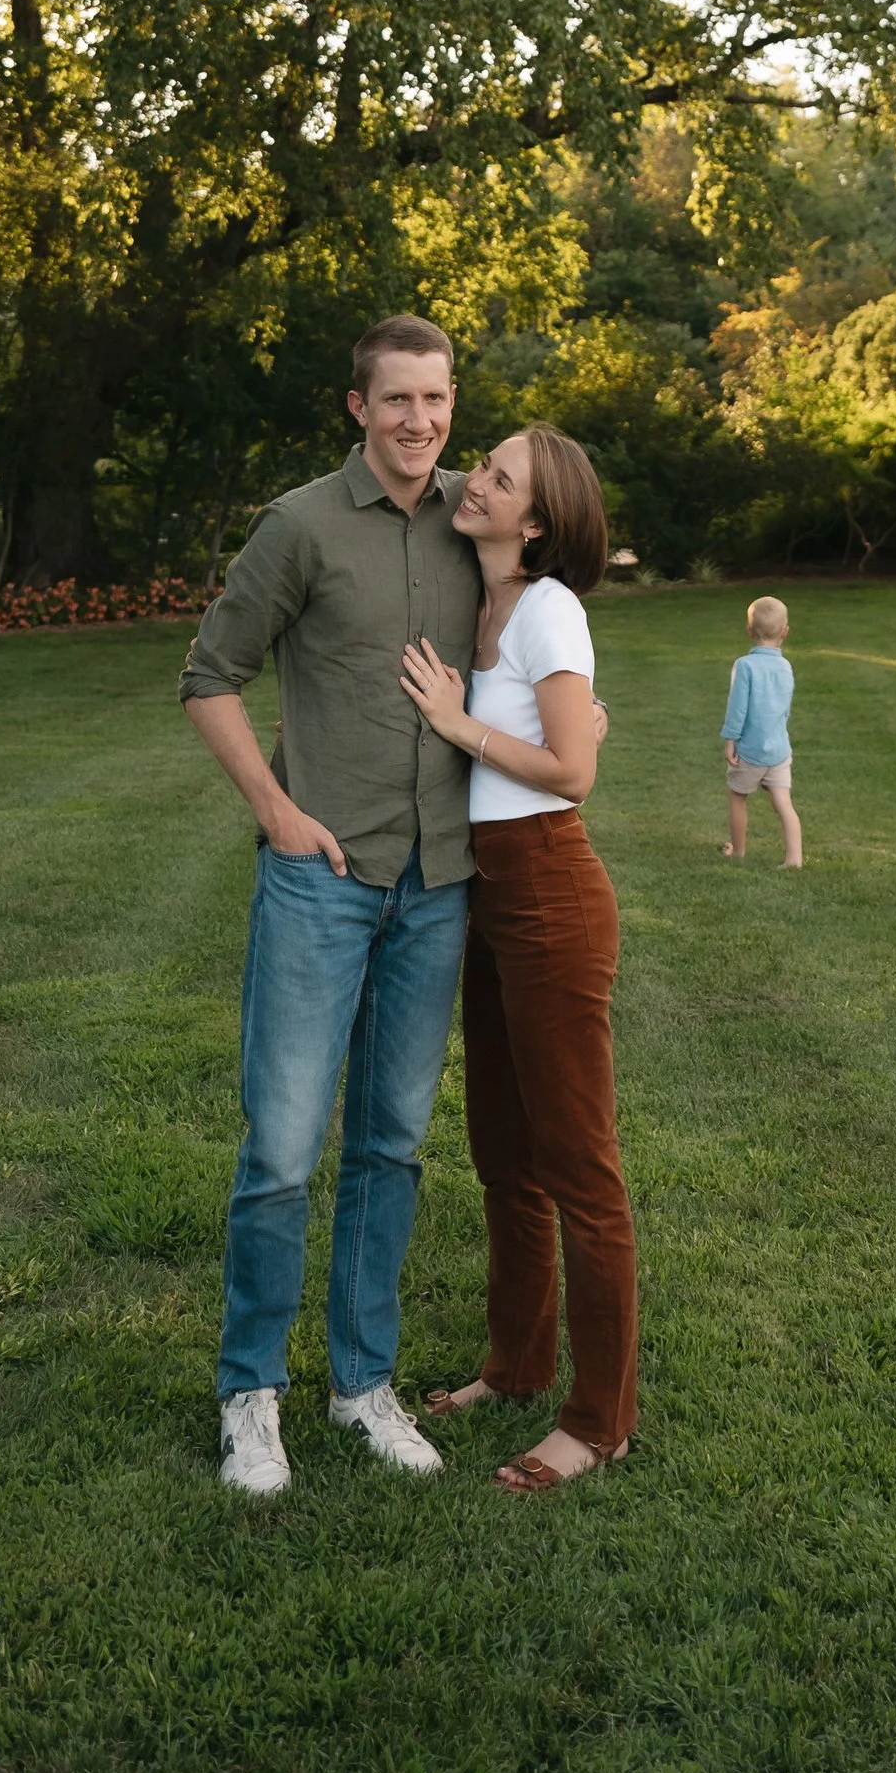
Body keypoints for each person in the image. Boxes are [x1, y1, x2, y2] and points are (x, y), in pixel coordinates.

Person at [180, 315, 481, 1499]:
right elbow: (210, 675)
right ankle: (249, 1392)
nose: (419, 421)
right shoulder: (300, 525)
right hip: (323, 878)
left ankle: (362, 1385)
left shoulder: (474, 517)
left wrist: (577, 712)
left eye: (436, 399)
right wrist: (275, 810)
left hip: (438, 882)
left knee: (391, 1146)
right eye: (397, 399)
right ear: (357, 406)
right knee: (282, 1149)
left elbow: (535, 631)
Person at [398, 425, 638, 1494]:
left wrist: (459, 726)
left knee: (578, 1166)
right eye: (484, 464)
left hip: (549, 892)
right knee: (502, 1152)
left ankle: (598, 1419)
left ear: (536, 523)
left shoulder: (549, 610)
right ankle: (517, 1364)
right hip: (483, 893)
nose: (475, 480)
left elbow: (573, 769)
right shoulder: (479, 598)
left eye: (499, 478)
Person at [721, 592, 802, 867]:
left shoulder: (745, 666)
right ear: (785, 632)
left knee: (737, 797)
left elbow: (738, 708)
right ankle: (794, 858)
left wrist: (730, 740)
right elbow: (784, 708)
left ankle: (738, 852)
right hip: (779, 749)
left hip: (749, 750)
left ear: (749, 631)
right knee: (784, 803)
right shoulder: (785, 666)